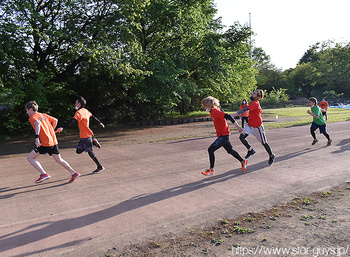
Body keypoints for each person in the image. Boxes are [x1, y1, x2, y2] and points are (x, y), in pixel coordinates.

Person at [25, 101, 80, 183]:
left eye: (26, 110)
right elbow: (55, 120)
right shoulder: (43, 115)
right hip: (53, 140)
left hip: (46, 142)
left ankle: (44, 174)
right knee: (59, 159)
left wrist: (36, 137)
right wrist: (52, 131)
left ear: (30, 109)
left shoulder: (33, 117)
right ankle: (74, 173)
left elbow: (37, 124)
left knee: (30, 157)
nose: (26, 112)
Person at [56, 96, 105, 174]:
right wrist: (100, 122)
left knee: (90, 152)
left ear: (79, 104)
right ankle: (93, 143)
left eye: (76, 102)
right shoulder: (86, 111)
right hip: (84, 136)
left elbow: (72, 121)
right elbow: (93, 117)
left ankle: (100, 167)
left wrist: (62, 127)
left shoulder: (79, 112)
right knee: (78, 151)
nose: (75, 104)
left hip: (86, 136)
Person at [201, 96, 248, 176]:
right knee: (230, 150)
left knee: (211, 150)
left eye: (204, 106)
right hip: (222, 134)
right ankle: (243, 162)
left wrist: (238, 127)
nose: (204, 107)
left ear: (209, 106)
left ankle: (211, 170)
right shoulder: (214, 111)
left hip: (224, 135)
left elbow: (228, 116)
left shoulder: (216, 111)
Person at [232, 89, 275, 165]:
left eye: (254, 94)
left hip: (257, 127)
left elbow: (245, 109)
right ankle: (250, 150)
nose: (252, 94)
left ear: (257, 96)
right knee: (242, 137)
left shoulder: (255, 103)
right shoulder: (254, 103)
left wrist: (236, 114)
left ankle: (271, 155)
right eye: (253, 93)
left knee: (264, 143)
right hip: (250, 125)